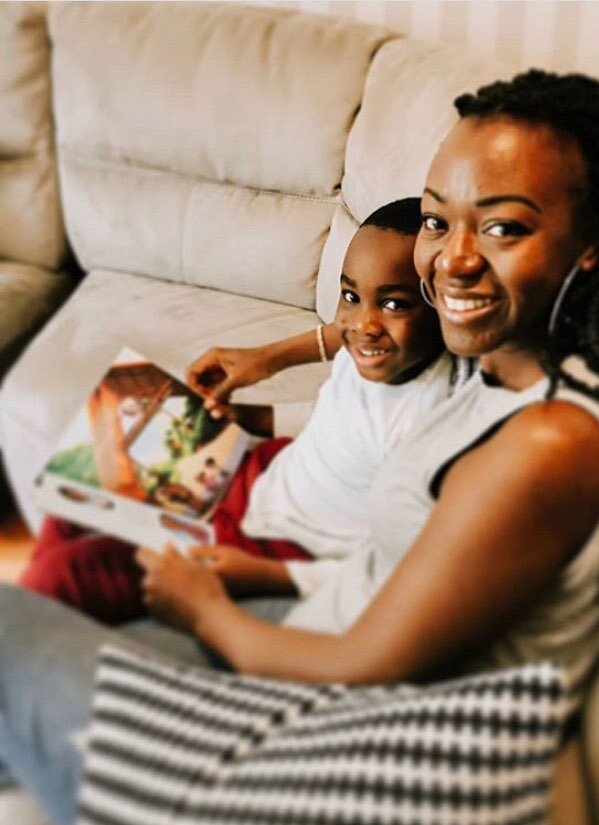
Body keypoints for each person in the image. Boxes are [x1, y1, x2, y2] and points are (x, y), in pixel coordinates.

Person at [0, 71, 599, 825]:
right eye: (436, 220)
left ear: (589, 248)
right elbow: (376, 332)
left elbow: (372, 664)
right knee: (102, 464)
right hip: (304, 606)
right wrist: (277, 365)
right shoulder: (497, 359)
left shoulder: (549, 443)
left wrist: (208, 610)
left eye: (504, 227)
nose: (452, 259)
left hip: (328, 704)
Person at [18, 198, 450, 623]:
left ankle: (33, 635)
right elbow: (344, 410)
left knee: (66, 573)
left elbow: (398, 573)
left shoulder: (429, 427)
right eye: (350, 295)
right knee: (79, 490)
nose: (363, 324)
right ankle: (42, 628)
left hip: (274, 544)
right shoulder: (376, 351)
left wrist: (269, 576)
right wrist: (254, 405)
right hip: (261, 474)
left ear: (442, 308)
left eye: (394, 303)